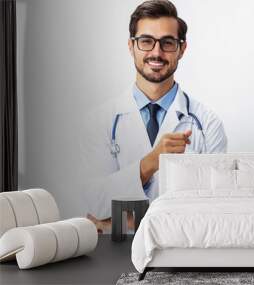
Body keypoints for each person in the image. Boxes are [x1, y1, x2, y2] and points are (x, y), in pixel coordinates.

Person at [82, 0, 228, 232]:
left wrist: (116, 223)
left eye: (167, 43)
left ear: (182, 49)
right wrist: (151, 161)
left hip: (182, 259)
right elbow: (93, 202)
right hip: (115, 254)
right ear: (131, 46)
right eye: (146, 41)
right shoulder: (99, 122)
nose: (156, 53)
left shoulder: (207, 124)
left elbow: (210, 213)